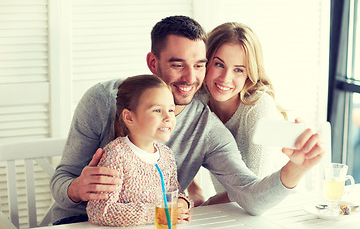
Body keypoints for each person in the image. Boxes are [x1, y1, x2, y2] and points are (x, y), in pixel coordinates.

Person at [50, 15, 325, 225]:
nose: (190, 78)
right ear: (152, 62)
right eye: (177, 64)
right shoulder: (104, 99)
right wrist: (76, 188)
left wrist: (296, 168)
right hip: (74, 223)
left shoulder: (206, 127)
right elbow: (61, 182)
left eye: (199, 64)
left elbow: (250, 197)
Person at [194, 22, 289, 204]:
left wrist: (204, 207)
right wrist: (195, 191)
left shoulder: (260, 107)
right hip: (231, 211)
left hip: (273, 209)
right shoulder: (198, 100)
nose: (225, 78)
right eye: (219, 64)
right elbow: (175, 152)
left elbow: (254, 191)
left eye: (238, 69)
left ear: (249, 73)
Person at [85, 75, 190, 226]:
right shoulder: (116, 155)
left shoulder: (166, 155)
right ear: (129, 117)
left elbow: (174, 193)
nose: (168, 117)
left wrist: (182, 204)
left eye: (171, 110)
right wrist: (156, 213)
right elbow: (100, 212)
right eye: (157, 110)